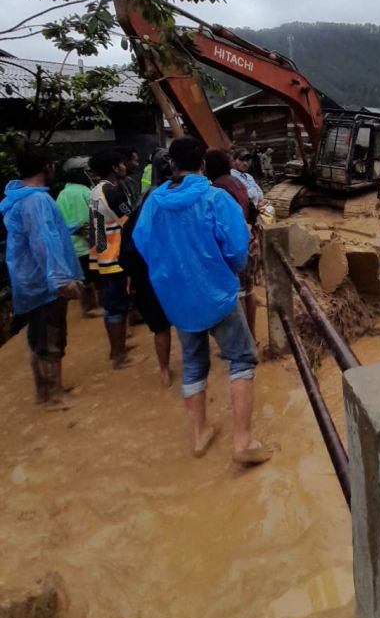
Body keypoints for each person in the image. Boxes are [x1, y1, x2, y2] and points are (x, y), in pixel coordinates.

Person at [133, 136, 271, 465]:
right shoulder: (214, 198)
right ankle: (242, 441)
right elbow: (238, 250)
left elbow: (143, 244)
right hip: (217, 295)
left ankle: (199, 436)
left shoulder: (153, 202)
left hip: (177, 300)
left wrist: (169, 275)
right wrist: (226, 269)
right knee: (241, 359)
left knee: (194, 364)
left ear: (170, 165)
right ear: (203, 165)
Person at [0, 148, 82, 406]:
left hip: (28, 281)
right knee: (51, 336)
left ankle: (43, 393)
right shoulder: (38, 201)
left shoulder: (19, 199)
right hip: (44, 282)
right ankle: (54, 394)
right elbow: (44, 242)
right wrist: (60, 280)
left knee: (38, 337)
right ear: (46, 167)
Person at [119, 148, 174, 387]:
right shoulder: (171, 197)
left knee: (160, 326)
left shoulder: (144, 198)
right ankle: (183, 370)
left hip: (147, 270)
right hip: (168, 270)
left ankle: (164, 370)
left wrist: (131, 273)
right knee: (181, 322)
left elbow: (129, 238)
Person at [205, 148, 258, 342]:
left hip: (234, 246)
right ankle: (251, 335)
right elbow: (251, 210)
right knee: (249, 291)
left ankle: (245, 341)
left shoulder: (218, 189)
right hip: (248, 241)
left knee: (240, 295)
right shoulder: (238, 182)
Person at [88, 149, 134, 368]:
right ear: (115, 168)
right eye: (122, 164)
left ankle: (117, 348)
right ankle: (118, 355)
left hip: (102, 257)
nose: (125, 166)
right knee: (118, 307)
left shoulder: (95, 191)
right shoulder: (113, 192)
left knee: (110, 306)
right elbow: (131, 223)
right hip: (116, 258)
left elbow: (95, 230)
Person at [56, 157, 98, 317]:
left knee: (81, 276)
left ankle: (86, 308)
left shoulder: (62, 194)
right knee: (94, 277)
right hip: (86, 244)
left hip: (70, 245)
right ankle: (93, 307)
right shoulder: (86, 192)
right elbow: (89, 222)